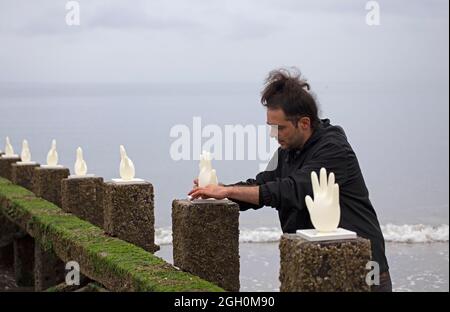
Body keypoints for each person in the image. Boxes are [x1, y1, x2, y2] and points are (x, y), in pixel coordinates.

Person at [188, 68, 392, 292]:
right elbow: (263, 184)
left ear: (304, 123)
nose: (274, 134)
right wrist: (218, 189)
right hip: (316, 268)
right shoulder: (289, 151)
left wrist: (227, 192)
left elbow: (291, 190)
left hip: (364, 270)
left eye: (280, 127)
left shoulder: (334, 150)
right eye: (271, 127)